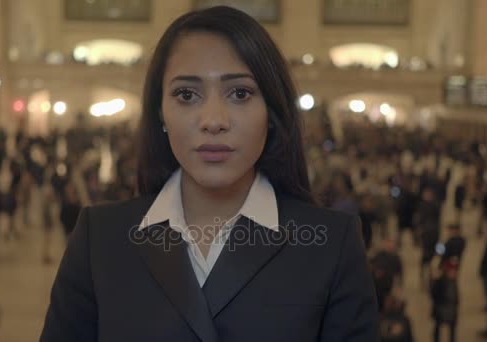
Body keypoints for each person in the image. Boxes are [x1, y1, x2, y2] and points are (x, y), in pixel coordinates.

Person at [41, 6, 378, 341]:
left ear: (271, 111)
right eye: (186, 95)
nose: (213, 120)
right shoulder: (100, 240)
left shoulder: (331, 245)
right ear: (161, 112)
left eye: (240, 93)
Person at [430, 259, 459, 342]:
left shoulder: (453, 281)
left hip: (451, 309)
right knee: (438, 328)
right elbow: (434, 294)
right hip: (441, 309)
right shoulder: (440, 281)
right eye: (452, 271)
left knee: (452, 329)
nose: (454, 273)